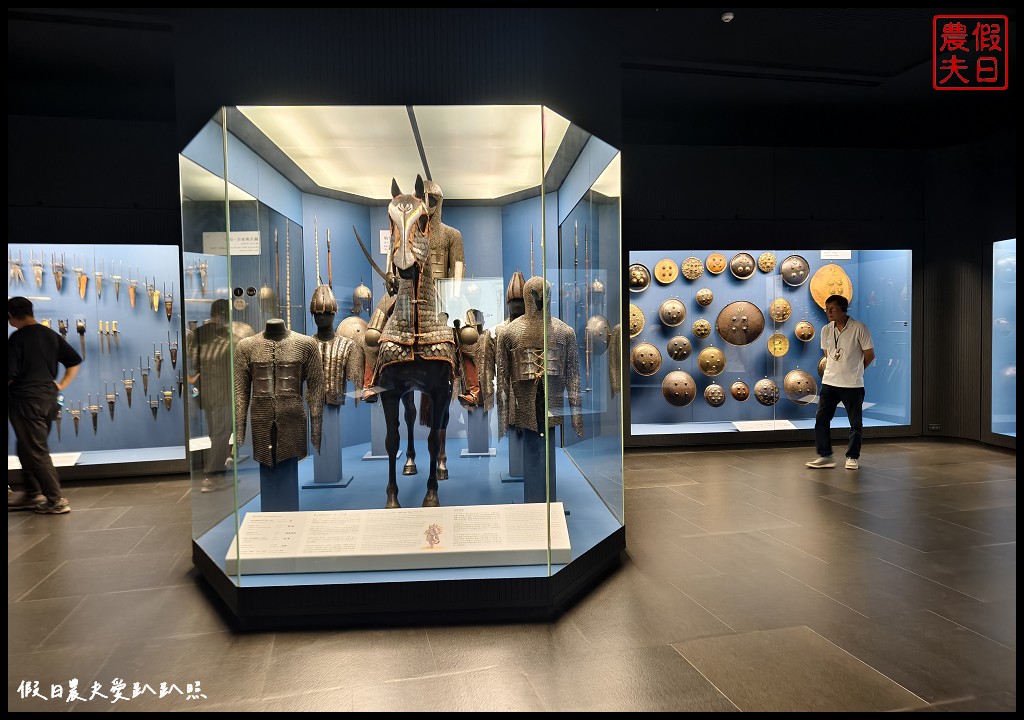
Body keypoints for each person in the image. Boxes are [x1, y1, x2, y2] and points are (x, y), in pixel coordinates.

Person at [8, 296, 83, 513]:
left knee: (36, 451)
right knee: (26, 448)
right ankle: (33, 494)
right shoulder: (50, 335)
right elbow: (74, 361)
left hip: (26, 401)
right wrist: (61, 385)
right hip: (49, 400)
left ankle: (56, 500)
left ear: (11, 315)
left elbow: (9, 375)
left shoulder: (16, 339)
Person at [807, 294, 875, 470]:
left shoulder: (860, 328)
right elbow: (828, 355)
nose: (828, 312)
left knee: (855, 423)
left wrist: (855, 371)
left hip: (852, 384)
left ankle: (852, 457)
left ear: (843, 309)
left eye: (833, 309)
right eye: (826, 309)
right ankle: (826, 456)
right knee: (821, 419)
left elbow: (869, 355)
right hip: (830, 382)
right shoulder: (826, 330)